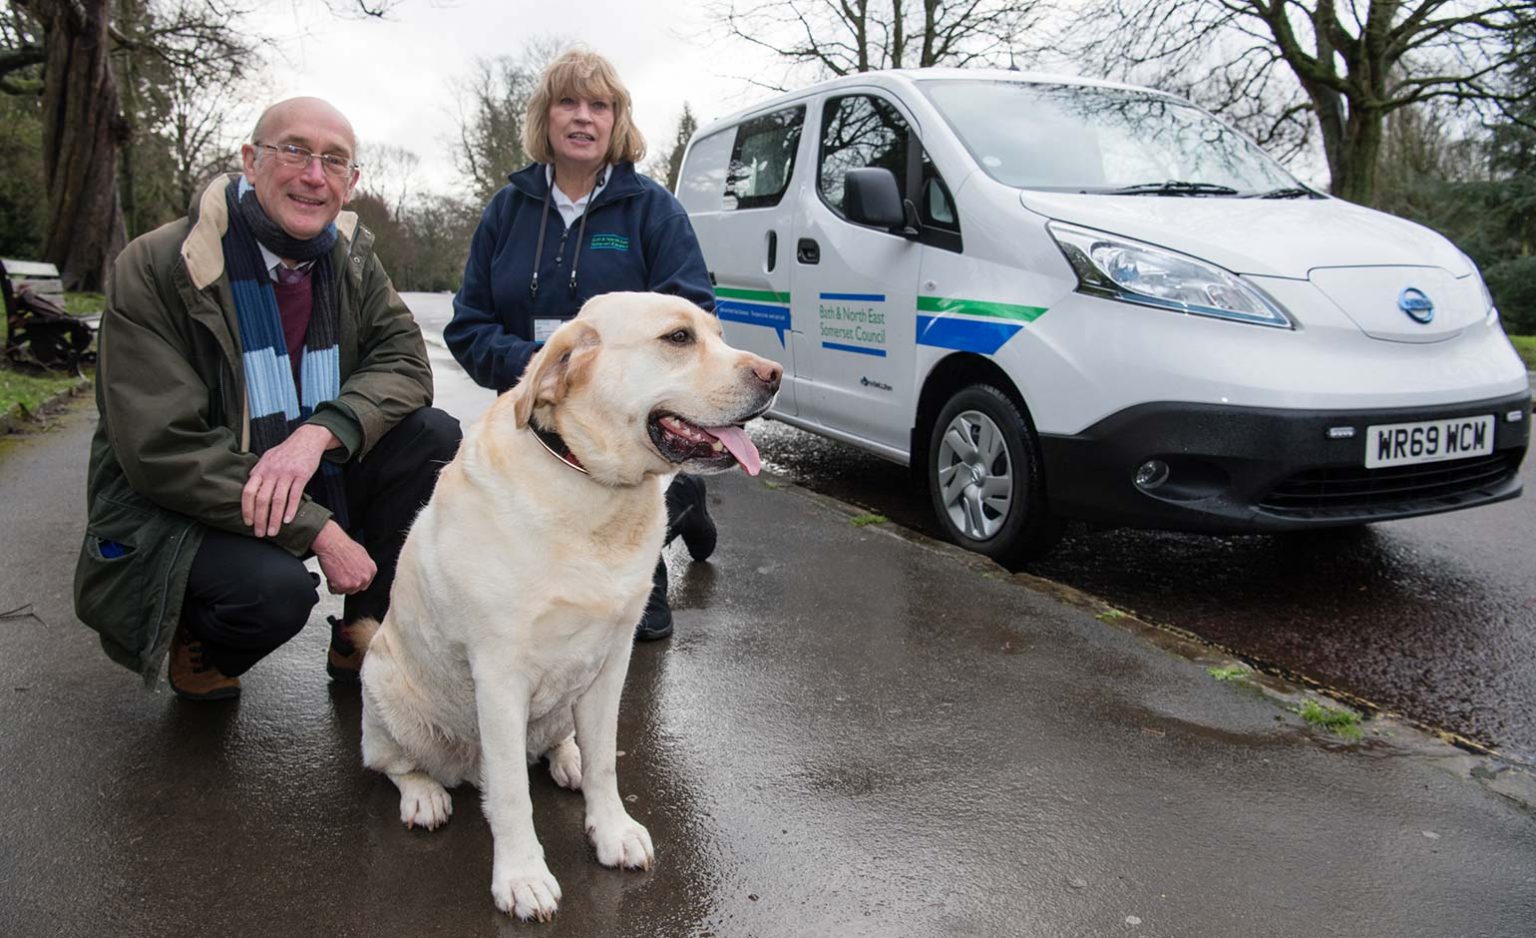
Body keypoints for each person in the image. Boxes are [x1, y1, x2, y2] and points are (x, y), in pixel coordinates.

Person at [74, 97, 461, 701]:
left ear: (351, 182)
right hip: (189, 501)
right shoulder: (159, 265)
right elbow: (162, 450)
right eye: (295, 151)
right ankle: (202, 640)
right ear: (251, 161)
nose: (314, 175)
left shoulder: (354, 261)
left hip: (307, 469)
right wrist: (320, 531)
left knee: (432, 436)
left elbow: (405, 364)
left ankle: (363, 634)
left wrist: (319, 433)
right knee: (272, 595)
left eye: (334, 160)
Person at [446, 48, 716, 642]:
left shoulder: (653, 211)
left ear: (617, 119)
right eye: (567, 102)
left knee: (634, 624)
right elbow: (467, 325)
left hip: (624, 432)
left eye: (600, 105)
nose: (583, 117)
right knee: (532, 580)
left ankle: (669, 517)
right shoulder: (506, 211)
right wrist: (541, 367)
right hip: (535, 416)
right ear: (545, 117)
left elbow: (694, 318)